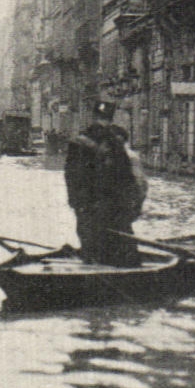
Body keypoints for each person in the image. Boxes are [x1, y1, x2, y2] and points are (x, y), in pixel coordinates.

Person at [64, 100, 146, 267]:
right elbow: (127, 177)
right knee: (120, 243)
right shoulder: (116, 143)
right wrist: (131, 205)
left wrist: (75, 201)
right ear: (110, 118)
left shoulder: (78, 142)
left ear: (93, 117)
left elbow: (71, 176)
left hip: (86, 203)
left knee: (89, 240)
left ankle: (90, 268)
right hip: (113, 204)